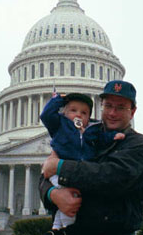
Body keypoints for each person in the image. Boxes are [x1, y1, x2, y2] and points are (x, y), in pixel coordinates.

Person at [39, 80, 143, 235]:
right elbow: (45, 175)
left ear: (132, 112)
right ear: (102, 106)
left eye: (120, 107)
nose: (112, 113)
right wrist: (53, 194)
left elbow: (110, 177)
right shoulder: (82, 134)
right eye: (108, 106)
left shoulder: (139, 145)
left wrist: (60, 166)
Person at [40, 92, 125, 234]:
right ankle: (59, 227)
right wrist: (58, 99)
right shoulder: (61, 126)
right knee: (64, 194)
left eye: (84, 113)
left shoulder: (91, 132)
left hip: (100, 218)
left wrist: (113, 136)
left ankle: (63, 228)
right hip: (65, 175)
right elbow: (46, 116)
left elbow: (102, 139)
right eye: (73, 110)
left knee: (71, 198)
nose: (78, 115)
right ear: (64, 113)